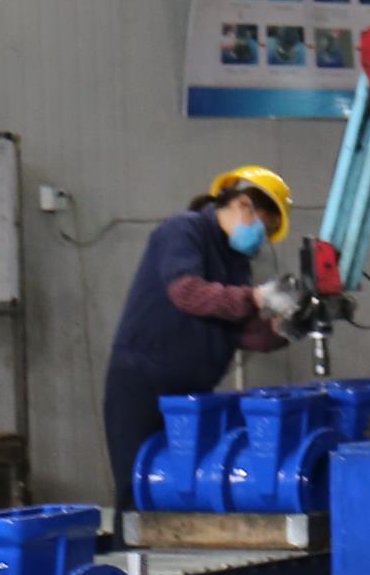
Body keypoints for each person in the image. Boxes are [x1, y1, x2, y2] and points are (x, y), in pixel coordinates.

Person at [104, 166, 303, 510]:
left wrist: (290, 327)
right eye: (265, 226)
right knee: (138, 490)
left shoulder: (235, 261)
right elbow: (187, 292)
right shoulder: (183, 230)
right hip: (142, 384)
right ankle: (129, 546)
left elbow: (244, 333)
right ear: (243, 204)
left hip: (193, 394)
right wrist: (258, 297)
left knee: (183, 491)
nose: (262, 237)